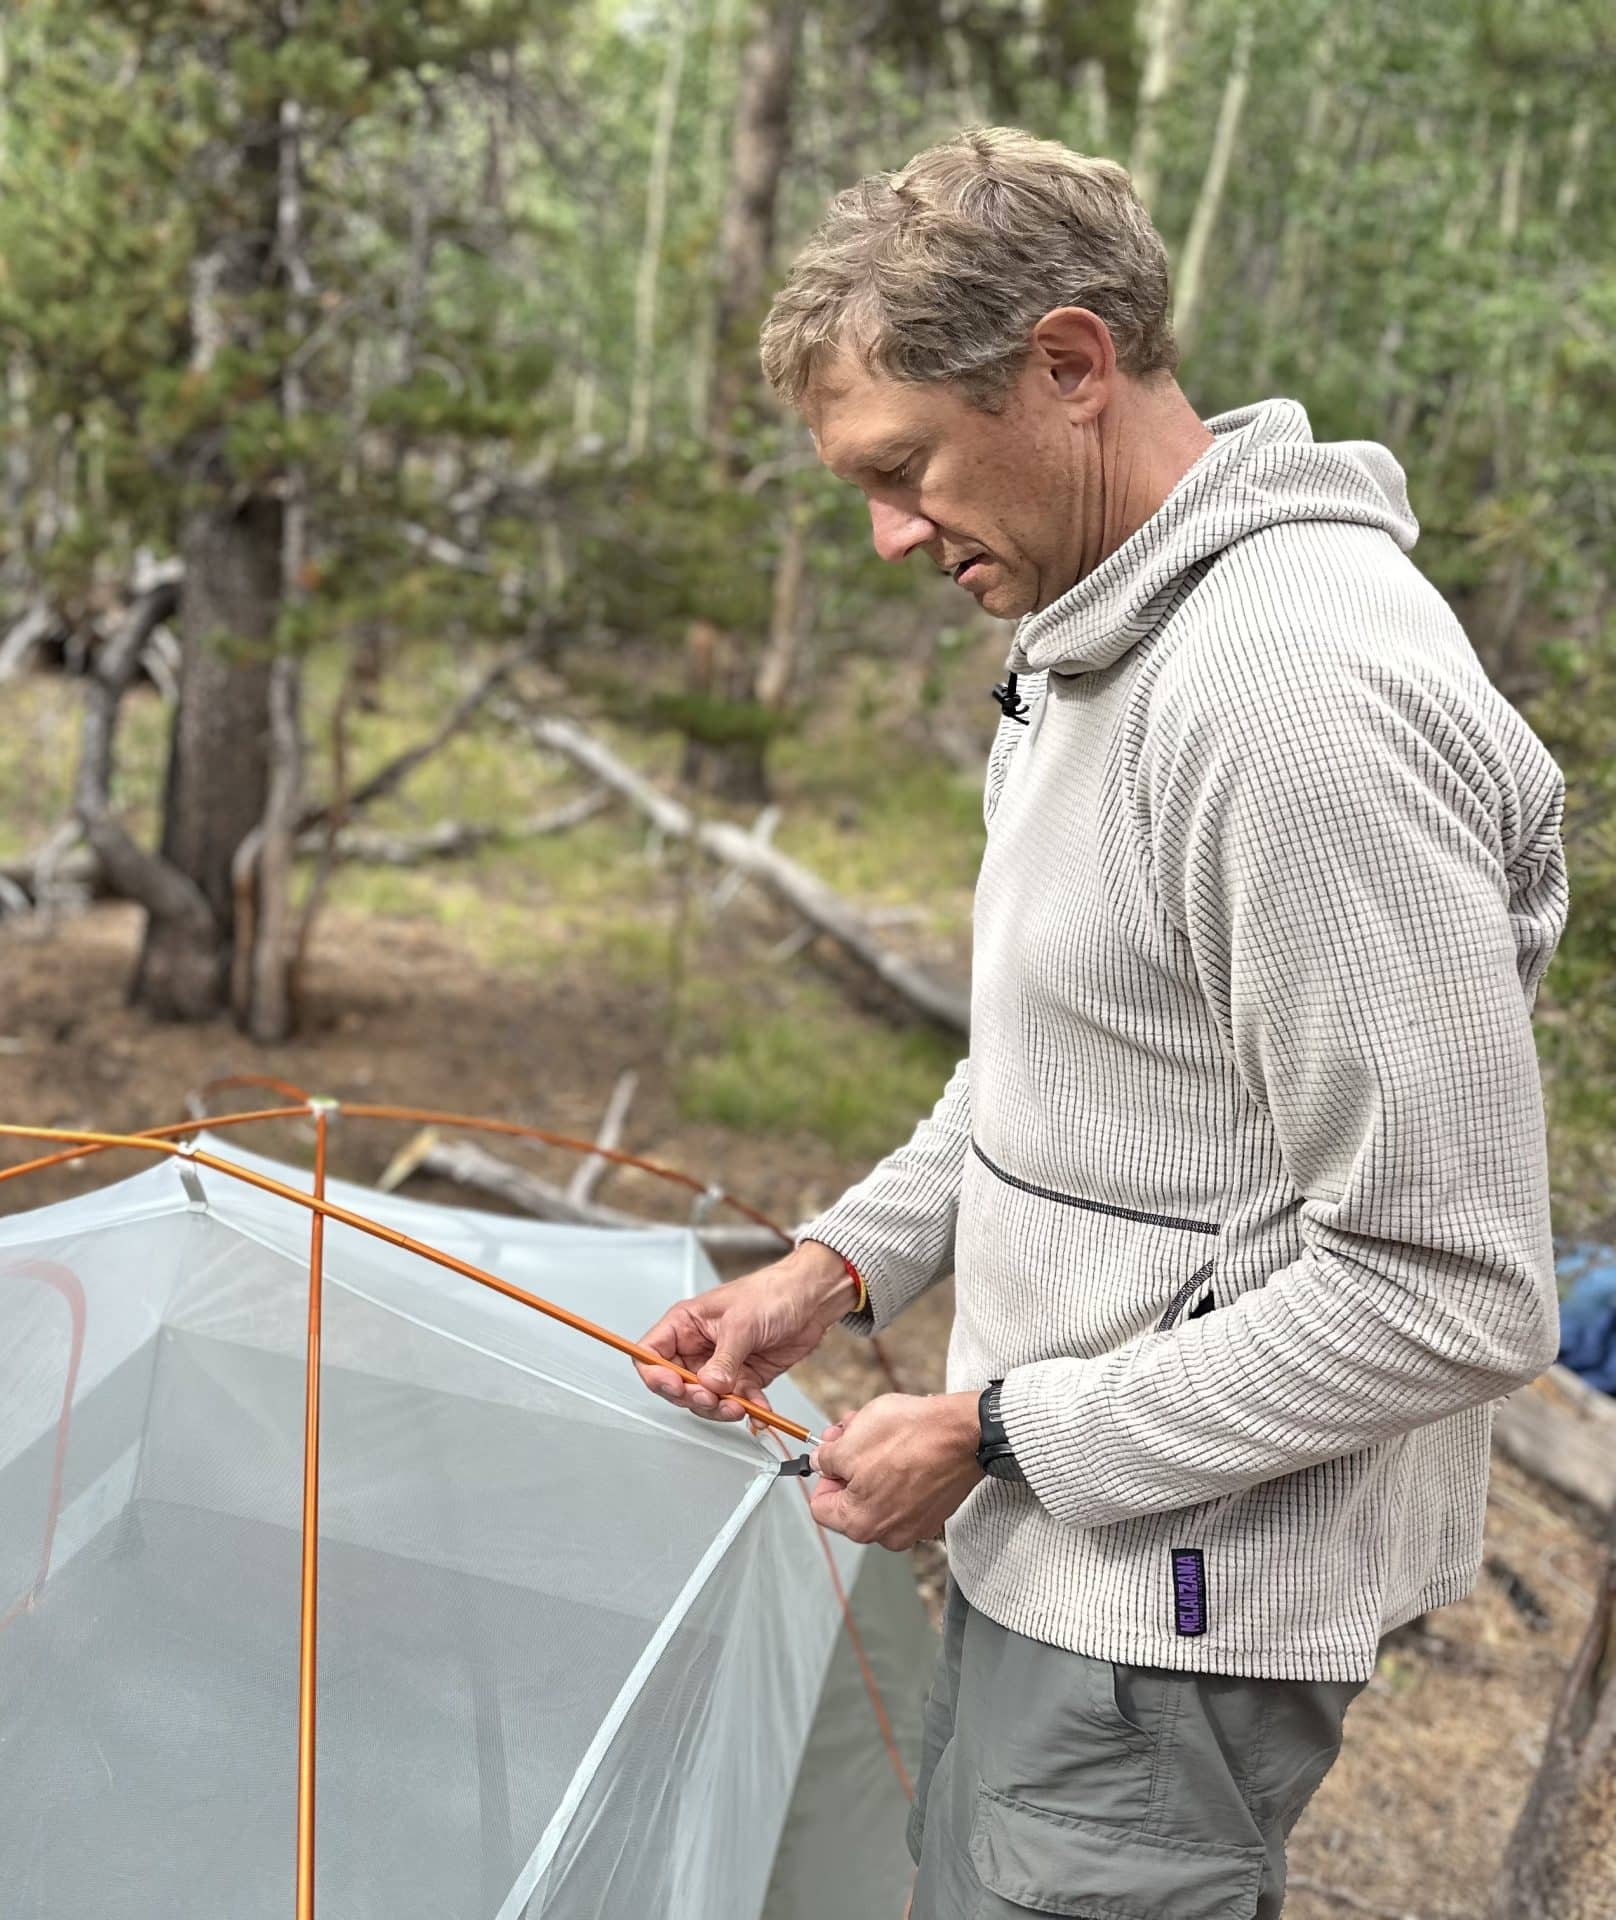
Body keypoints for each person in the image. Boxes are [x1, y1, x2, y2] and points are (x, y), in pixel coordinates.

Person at [637, 128, 1565, 1918]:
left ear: (1069, 365)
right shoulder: (1105, 632)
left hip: (1168, 1620)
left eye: (903, 468)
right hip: (1052, 1548)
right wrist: (836, 1269)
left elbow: (1451, 1284)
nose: (889, 535)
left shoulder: (1292, 694)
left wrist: (991, 1433)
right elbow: (1067, 1059)